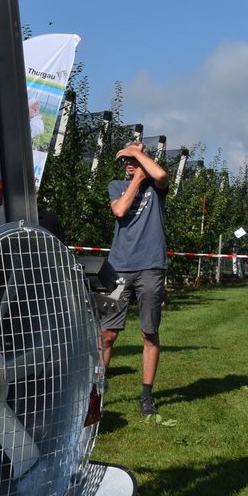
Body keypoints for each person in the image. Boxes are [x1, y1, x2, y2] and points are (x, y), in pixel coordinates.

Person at [99, 142, 170, 420]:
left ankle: (146, 394)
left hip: (151, 267)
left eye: (132, 160)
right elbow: (119, 211)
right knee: (106, 334)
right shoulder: (117, 185)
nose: (128, 164)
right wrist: (137, 177)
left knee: (149, 332)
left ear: (143, 159)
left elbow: (162, 176)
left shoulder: (157, 187)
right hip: (118, 269)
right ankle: (97, 389)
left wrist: (140, 158)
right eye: (125, 160)